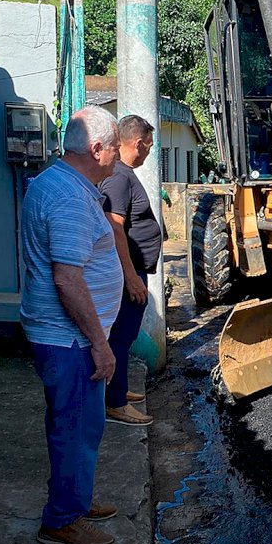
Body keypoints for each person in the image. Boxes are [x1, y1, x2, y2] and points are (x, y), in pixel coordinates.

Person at [20, 105, 123, 544]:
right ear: (97, 148)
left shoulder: (64, 185)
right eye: (116, 146)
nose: (119, 156)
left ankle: (74, 499)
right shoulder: (67, 196)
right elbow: (68, 278)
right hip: (71, 340)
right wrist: (101, 345)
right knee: (74, 426)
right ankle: (62, 519)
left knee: (83, 425)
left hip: (69, 337)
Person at [100, 115, 161, 426]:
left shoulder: (123, 174)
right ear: (137, 143)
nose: (148, 153)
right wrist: (131, 277)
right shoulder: (119, 178)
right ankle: (115, 402)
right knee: (121, 337)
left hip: (134, 270)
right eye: (148, 147)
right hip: (128, 274)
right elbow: (114, 227)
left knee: (124, 335)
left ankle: (118, 389)